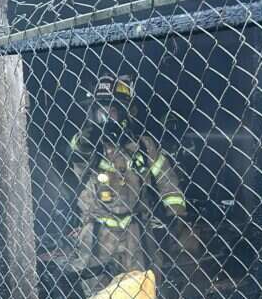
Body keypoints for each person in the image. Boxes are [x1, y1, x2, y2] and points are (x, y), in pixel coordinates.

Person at [69, 74, 186, 284]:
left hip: (137, 233)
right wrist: (91, 134)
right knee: (96, 293)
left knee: (141, 287)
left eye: (111, 111)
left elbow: (168, 182)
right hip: (97, 233)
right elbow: (78, 149)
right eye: (100, 111)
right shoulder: (89, 145)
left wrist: (176, 217)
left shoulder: (143, 147)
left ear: (125, 113)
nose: (104, 117)